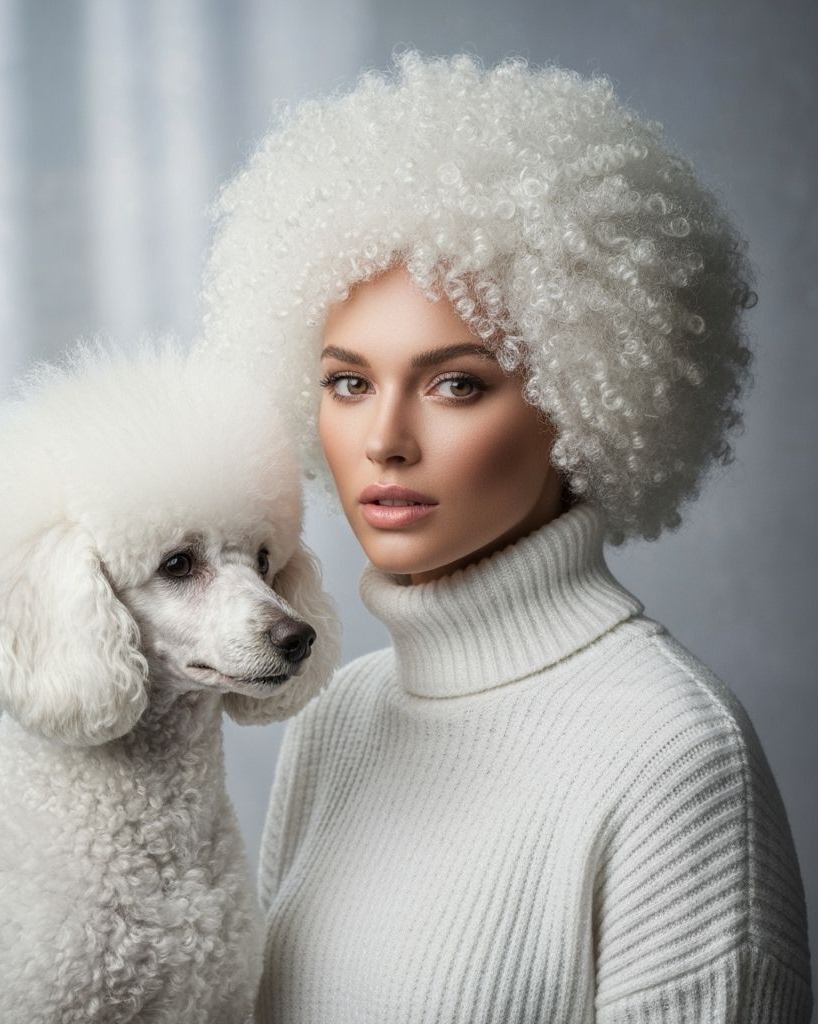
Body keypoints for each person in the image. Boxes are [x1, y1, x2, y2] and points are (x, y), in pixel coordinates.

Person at [199, 51, 812, 1023]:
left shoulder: (672, 753)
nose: (385, 441)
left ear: (582, 398)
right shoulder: (338, 716)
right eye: (348, 382)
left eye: (456, 384)